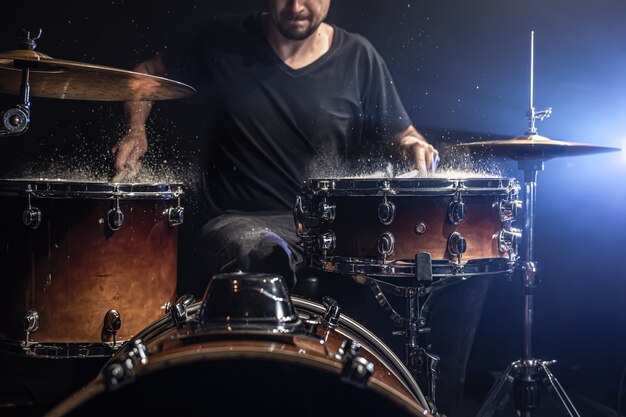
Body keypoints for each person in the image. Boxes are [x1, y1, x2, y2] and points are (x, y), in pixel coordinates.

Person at [112, 2, 487, 416]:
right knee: (256, 249)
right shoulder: (220, 38)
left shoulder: (358, 56)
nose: (295, 7)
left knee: (456, 264)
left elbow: (404, 132)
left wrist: (415, 145)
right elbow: (144, 75)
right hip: (241, 221)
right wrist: (136, 130)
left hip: (329, 230)